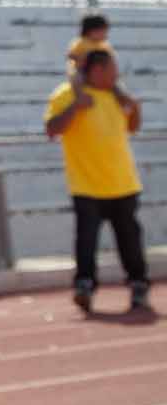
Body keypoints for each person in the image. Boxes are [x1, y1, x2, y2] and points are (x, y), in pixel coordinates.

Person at [44, 48, 150, 314]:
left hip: (123, 183)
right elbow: (52, 129)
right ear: (98, 70)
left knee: (130, 242)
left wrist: (136, 107)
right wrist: (76, 106)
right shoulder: (66, 94)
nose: (117, 74)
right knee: (86, 242)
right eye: (113, 69)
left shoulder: (117, 96)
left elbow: (133, 126)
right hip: (86, 185)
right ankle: (85, 286)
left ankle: (138, 284)